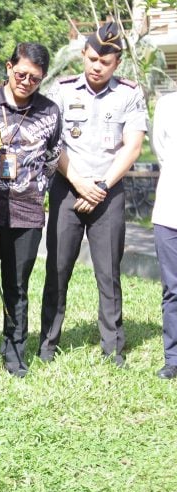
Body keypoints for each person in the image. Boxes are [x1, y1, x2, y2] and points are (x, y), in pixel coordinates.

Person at [39, 21, 147, 367]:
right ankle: (47, 343)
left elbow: (131, 148)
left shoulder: (129, 93)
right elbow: (52, 143)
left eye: (105, 61)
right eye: (91, 59)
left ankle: (113, 347)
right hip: (68, 189)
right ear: (83, 56)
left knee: (108, 272)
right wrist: (80, 182)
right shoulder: (62, 89)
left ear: (116, 63)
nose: (96, 67)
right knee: (57, 269)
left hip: (108, 192)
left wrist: (99, 187)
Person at [0, 43, 61, 377]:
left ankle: (15, 352)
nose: (25, 82)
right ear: (8, 67)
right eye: (20, 73)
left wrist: (32, 189)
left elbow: (52, 156)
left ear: (42, 78)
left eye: (34, 78)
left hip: (28, 214)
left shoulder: (50, 111)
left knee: (17, 287)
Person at [150, 92, 177, 379]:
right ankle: (174, 358)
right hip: (170, 212)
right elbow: (162, 154)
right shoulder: (168, 105)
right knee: (173, 289)